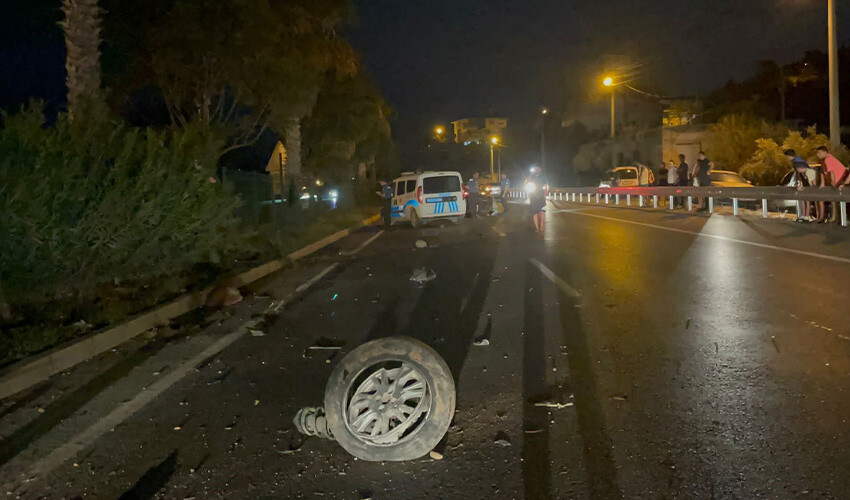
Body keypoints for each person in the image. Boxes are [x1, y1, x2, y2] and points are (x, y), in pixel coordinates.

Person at [785, 149, 814, 222]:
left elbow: (800, 171)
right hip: (806, 180)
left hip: (807, 180)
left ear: (789, 156)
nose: (787, 158)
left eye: (787, 156)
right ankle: (804, 215)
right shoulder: (798, 160)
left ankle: (806, 216)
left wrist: (800, 183)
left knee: (806, 199)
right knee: (804, 199)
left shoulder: (796, 162)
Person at [526, 166, 548, 232]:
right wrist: (530, 175)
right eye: (536, 169)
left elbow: (546, 187)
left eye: (538, 168)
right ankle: (537, 227)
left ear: (540, 169)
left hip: (541, 196)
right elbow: (527, 183)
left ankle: (542, 225)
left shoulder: (543, 177)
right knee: (534, 212)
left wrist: (544, 195)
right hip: (533, 197)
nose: (537, 170)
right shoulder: (531, 177)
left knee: (542, 211)